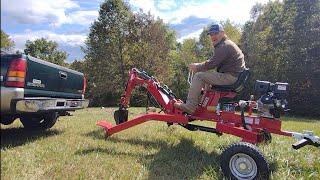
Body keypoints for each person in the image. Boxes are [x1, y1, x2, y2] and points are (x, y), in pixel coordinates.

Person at [174, 23, 246, 114]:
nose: (213, 36)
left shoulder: (224, 46)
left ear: (222, 33)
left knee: (199, 76)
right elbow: (212, 63)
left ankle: (190, 106)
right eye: (211, 34)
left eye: (215, 33)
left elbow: (211, 64)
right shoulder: (226, 44)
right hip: (233, 76)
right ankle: (203, 104)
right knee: (206, 76)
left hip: (231, 77)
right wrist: (201, 67)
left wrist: (197, 67)